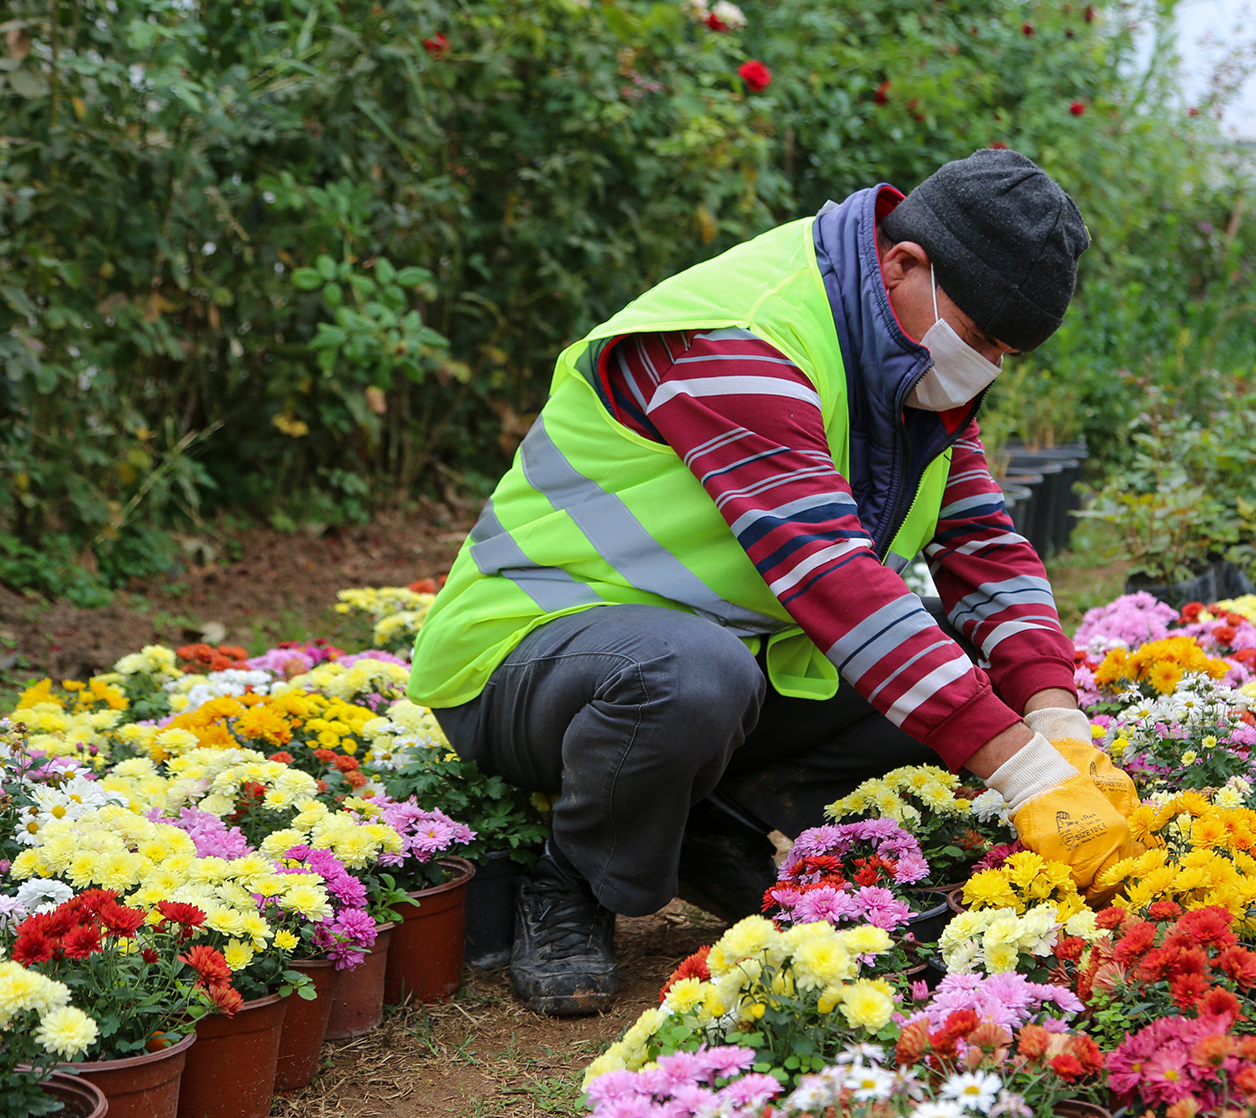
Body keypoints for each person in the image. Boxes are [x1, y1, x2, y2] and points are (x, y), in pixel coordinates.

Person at [407, 148, 1138, 1016]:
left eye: (1002, 354)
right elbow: (829, 571)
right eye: (977, 340)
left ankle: (704, 822)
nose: (982, 367)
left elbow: (982, 539)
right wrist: (1024, 775)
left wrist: (1054, 716)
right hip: (531, 658)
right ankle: (572, 884)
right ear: (903, 265)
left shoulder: (903, 362)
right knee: (690, 676)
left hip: (726, 662)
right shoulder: (743, 336)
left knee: (963, 676)